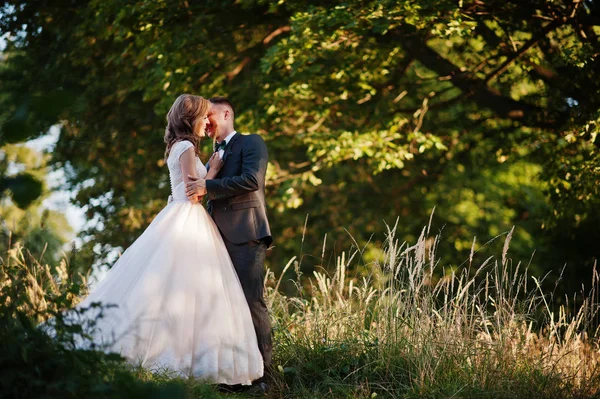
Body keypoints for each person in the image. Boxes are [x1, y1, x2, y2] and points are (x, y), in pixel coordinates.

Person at [61, 94, 263, 385]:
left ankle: (191, 357)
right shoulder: (185, 147)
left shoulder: (182, 147)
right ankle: (179, 359)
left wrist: (208, 171)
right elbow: (193, 191)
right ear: (192, 117)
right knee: (182, 290)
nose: (207, 121)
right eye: (204, 115)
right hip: (188, 217)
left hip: (186, 217)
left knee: (187, 292)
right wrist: (215, 169)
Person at [185, 97, 273, 389]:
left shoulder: (251, 142)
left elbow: (251, 180)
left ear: (226, 114)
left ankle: (264, 378)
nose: (206, 121)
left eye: (209, 115)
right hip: (215, 239)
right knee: (223, 308)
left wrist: (207, 185)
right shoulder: (212, 153)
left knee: (251, 304)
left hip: (245, 234)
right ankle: (235, 377)